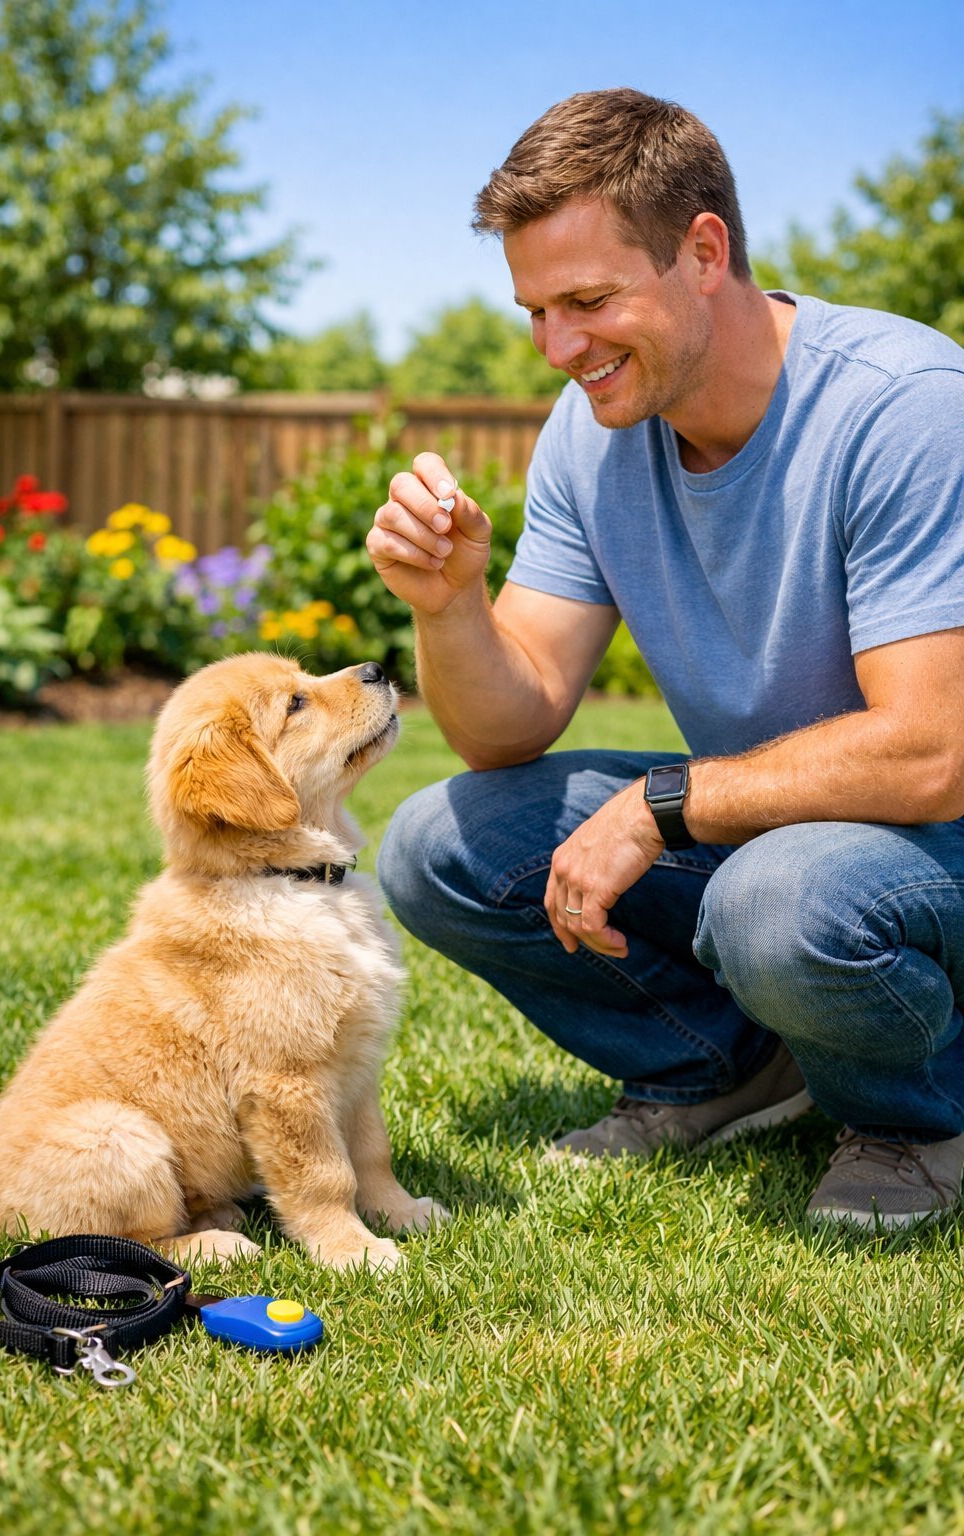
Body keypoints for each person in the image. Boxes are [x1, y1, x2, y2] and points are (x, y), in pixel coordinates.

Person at [365, 88, 964, 1229]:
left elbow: (932, 756)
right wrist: (449, 608)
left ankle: (910, 1115)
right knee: (439, 845)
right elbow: (508, 724)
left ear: (702, 252)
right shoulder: (594, 432)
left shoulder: (907, 409)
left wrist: (659, 805)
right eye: (535, 311)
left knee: (773, 900)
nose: (559, 347)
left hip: (937, 845)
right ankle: (723, 1066)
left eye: (588, 300)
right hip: (777, 839)